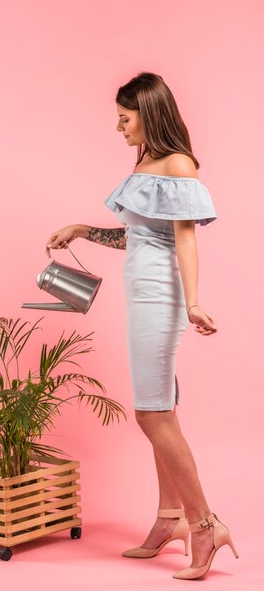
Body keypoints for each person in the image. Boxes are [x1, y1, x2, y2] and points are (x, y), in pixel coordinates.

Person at [45, 72, 238, 581]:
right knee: (162, 409)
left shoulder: (177, 164)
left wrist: (195, 302)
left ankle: (204, 524)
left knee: (153, 415)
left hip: (162, 299)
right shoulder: (146, 165)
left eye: (124, 117)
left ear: (148, 114)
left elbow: (185, 239)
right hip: (142, 298)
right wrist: (83, 229)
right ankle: (169, 519)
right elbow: (136, 238)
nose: (118, 126)